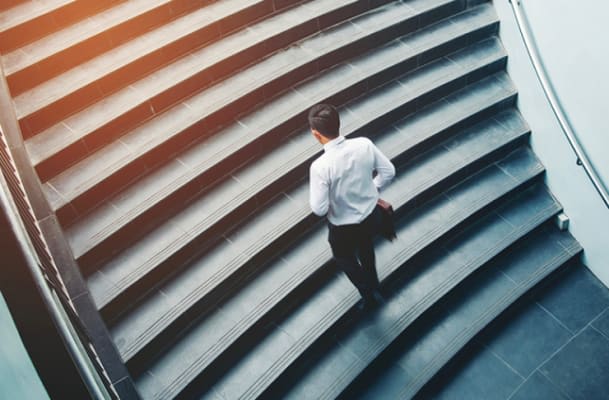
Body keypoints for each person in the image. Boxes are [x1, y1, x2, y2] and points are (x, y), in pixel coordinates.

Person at [308, 103, 396, 308]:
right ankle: (375, 284)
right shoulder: (363, 144)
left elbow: (319, 208)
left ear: (316, 134)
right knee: (366, 248)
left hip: (343, 227)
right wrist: (372, 189)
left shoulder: (320, 166)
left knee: (344, 258)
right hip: (370, 216)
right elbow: (388, 172)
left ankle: (367, 294)